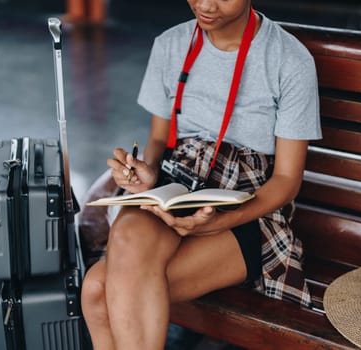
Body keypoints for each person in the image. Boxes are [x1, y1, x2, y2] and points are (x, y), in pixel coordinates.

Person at [80, 0, 322, 349]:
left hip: (248, 207)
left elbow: (286, 180)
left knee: (97, 287)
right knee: (120, 254)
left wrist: (226, 219)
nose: (205, 4)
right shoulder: (170, 44)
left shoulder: (289, 60)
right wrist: (146, 175)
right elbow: (160, 140)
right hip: (176, 186)